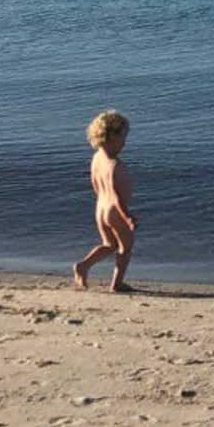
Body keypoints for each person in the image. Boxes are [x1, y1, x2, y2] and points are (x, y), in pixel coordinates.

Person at [73, 110, 139, 293]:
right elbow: (115, 195)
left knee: (109, 245)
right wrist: (127, 217)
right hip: (115, 211)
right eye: (123, 138)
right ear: (111, 137)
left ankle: (83, 265)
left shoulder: (97, 158)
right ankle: (117, 283)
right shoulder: (114, 164)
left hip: (100, 208)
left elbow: (96, 184)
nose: (124, 143)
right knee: (125, 247)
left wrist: (104, 205)